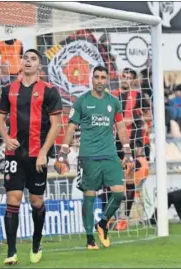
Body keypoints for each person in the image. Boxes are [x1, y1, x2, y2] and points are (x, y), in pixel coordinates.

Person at [0, 49, 62, 265]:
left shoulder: (50, 91)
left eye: (33, 59)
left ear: (39, 67)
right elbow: (1, 118)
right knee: (12, 199)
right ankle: (11, 252)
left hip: (37, 156)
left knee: (36, 201)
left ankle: (36, 242)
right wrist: (6, 137)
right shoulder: (8, 90)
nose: (28, 61)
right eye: (25, 57)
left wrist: (44, 152)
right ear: (21, 62)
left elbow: (56, 125)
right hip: (13, 153)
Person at [58, 65, 132, 250]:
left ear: (107, 80)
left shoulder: (114, 102)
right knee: (89, 196)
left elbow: (121, 126)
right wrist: (64, 150)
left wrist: (127, 150)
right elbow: (71, 128)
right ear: (92, 79)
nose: (99, 80)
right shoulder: (81, 101)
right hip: (88, 155)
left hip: (110, 154)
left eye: (103, 77)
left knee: (118, 192)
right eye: (96, 77)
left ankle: (103, 223)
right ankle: (90, 238)